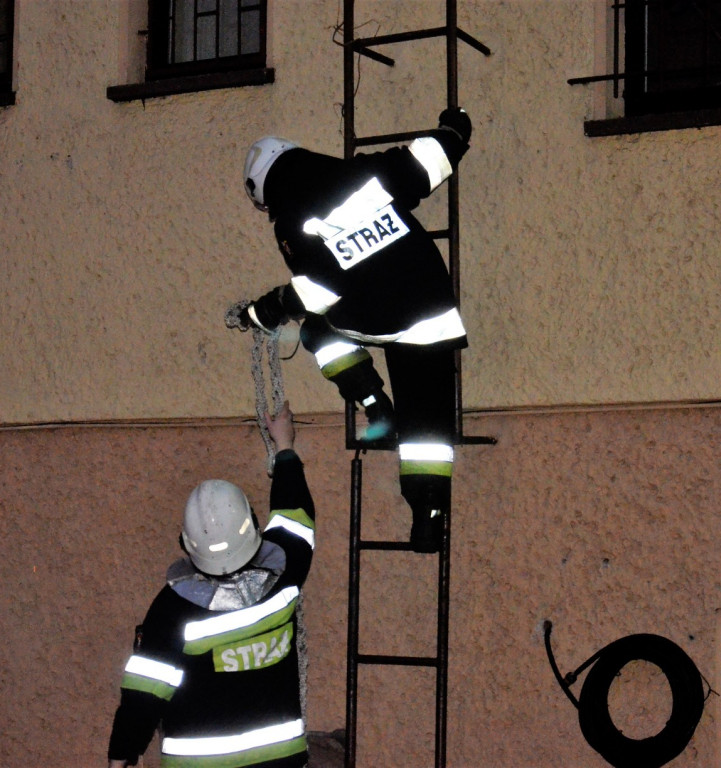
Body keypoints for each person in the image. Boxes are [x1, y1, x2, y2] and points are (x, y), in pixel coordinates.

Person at [237, 107, 472, 553]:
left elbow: (317, 292)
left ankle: (374, 403)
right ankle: (428, 518)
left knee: (317, 333)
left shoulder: (292, 222)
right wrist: (455, 129)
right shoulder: (359, 173)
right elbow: (426, 163)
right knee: (427, 428)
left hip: (373, 320)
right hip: (428, 315)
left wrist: (272, 308)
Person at [107, 401, 315, 768]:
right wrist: (284, 444)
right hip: (279, 761)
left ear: (187, 544)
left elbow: (144, 694)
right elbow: (295, 511)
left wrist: (121, 756)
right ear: (251, 525)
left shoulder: (171, 611)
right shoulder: (287, 570)